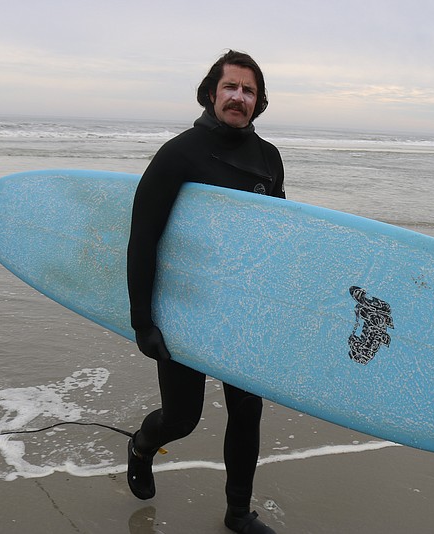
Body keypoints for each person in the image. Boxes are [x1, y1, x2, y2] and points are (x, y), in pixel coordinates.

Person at [126, 50, 283, 534]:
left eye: (249, 90)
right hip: (186, 306)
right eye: (230, 87)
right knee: (182, 417)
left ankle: (238, 512)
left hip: (243, 309)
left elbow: (274, 239)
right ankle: (143, 445)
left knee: (246, 408)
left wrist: (277, 309)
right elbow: (143, 236)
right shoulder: (179, 154)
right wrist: (142, 320)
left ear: (258, 102)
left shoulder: (269, 159)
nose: (239, 97)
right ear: (212, 93)